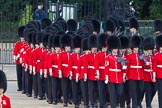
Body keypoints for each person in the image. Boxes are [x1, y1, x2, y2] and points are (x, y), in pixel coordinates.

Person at [104, 35, 124, 108]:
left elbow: (123, 69)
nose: (115, 49)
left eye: (116, 48)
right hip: (111, 77)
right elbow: (106, 68)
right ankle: (113, 106)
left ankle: (116, 102)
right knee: (112, 94)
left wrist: (124, 66)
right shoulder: (108, 57)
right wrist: (106, 77)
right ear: (111, 49)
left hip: (119, 77)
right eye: (114, 48)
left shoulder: (120, 57)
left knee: (119, 92)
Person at [126, 35, 144, 108]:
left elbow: (143, 66)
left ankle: (138, 103)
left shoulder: (141, 55)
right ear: (133, 48)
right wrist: (126, 75)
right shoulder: (129, 56)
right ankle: (134, 105)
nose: (136, 49)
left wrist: (145, 61)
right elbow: (127, 66)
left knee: (140, 89)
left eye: (137, 47)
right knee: (133, 91)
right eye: (135, 47)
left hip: (140, 75)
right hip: (132, 75)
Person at [143, 37, 157, 108]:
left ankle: (149, 101)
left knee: (154, 90)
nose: (149, 51)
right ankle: (148, 105)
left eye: (150, 49)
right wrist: (145, 64)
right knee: (148, 91)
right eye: (148, 49)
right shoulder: (144, 56)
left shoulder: (154, 56)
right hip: (146, 76)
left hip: (153, 76)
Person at [13, 26, 25, 92]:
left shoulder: (26, 44)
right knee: (19, 74)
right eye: (21, 37)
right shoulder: (17, 44)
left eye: (23, 37)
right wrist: (15, 57)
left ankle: (23, 87)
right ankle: (20, 87)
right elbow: (15, 51)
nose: (22, 38)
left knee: (23, 76)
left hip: (24, 62)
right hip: (18, 61)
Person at [153, 35, 162, 108]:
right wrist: (154, 76)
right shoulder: (156, 56)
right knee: (160, 92)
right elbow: (154, 67)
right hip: (159, 75)